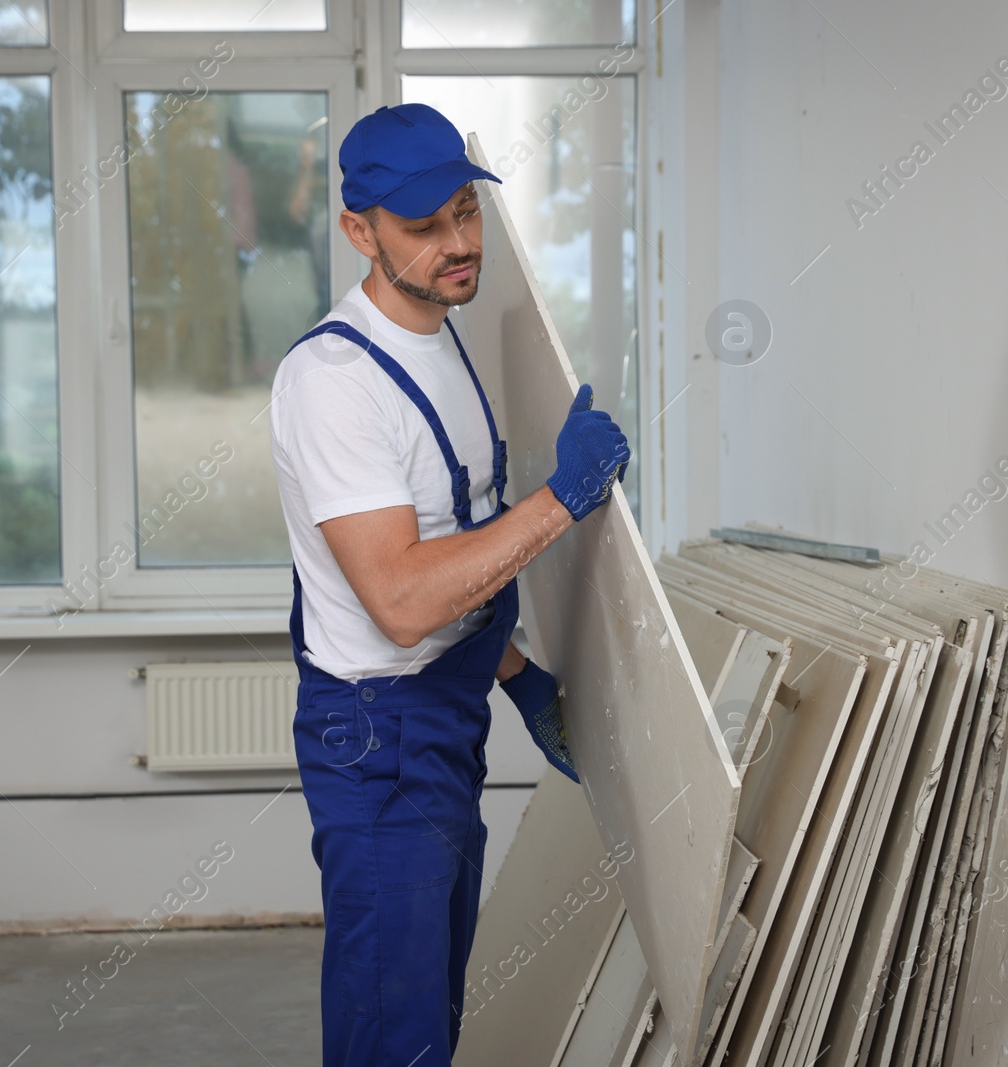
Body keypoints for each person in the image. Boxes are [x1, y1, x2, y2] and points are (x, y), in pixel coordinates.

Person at [267, 102, 631, 1067]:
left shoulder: (442, 334)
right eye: (424, 228)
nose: (457, 244)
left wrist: (512, 673)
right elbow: (401, 598)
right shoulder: (335, 384)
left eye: (465, 213)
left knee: (424, 1012)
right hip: (378, 738)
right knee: (397, 1033)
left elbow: (450, 543)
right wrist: (563, 498)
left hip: (442, 717)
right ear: (358, 230)